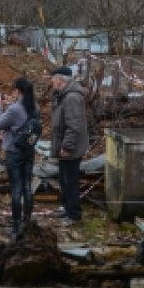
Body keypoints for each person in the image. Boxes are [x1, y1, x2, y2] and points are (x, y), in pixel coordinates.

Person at [0, 76, 38, 236]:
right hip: (29, 151)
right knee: (27, 186)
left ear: (18, 91)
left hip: (14, 152)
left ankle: (16, 226)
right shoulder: (33, 107)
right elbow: (20, 121)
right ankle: (27, 222)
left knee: (16, 189)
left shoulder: (14, 109)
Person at [49, 65, 88, 223]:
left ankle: (74, 214)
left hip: (71, 149)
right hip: (65, 147)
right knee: (64, 179)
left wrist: (67, 147)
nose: (52, 82)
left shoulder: (71, 98)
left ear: (60, 80)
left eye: (53, 79)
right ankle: (67, 208)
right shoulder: (63, 95)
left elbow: (74, 125)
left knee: (71, 181)